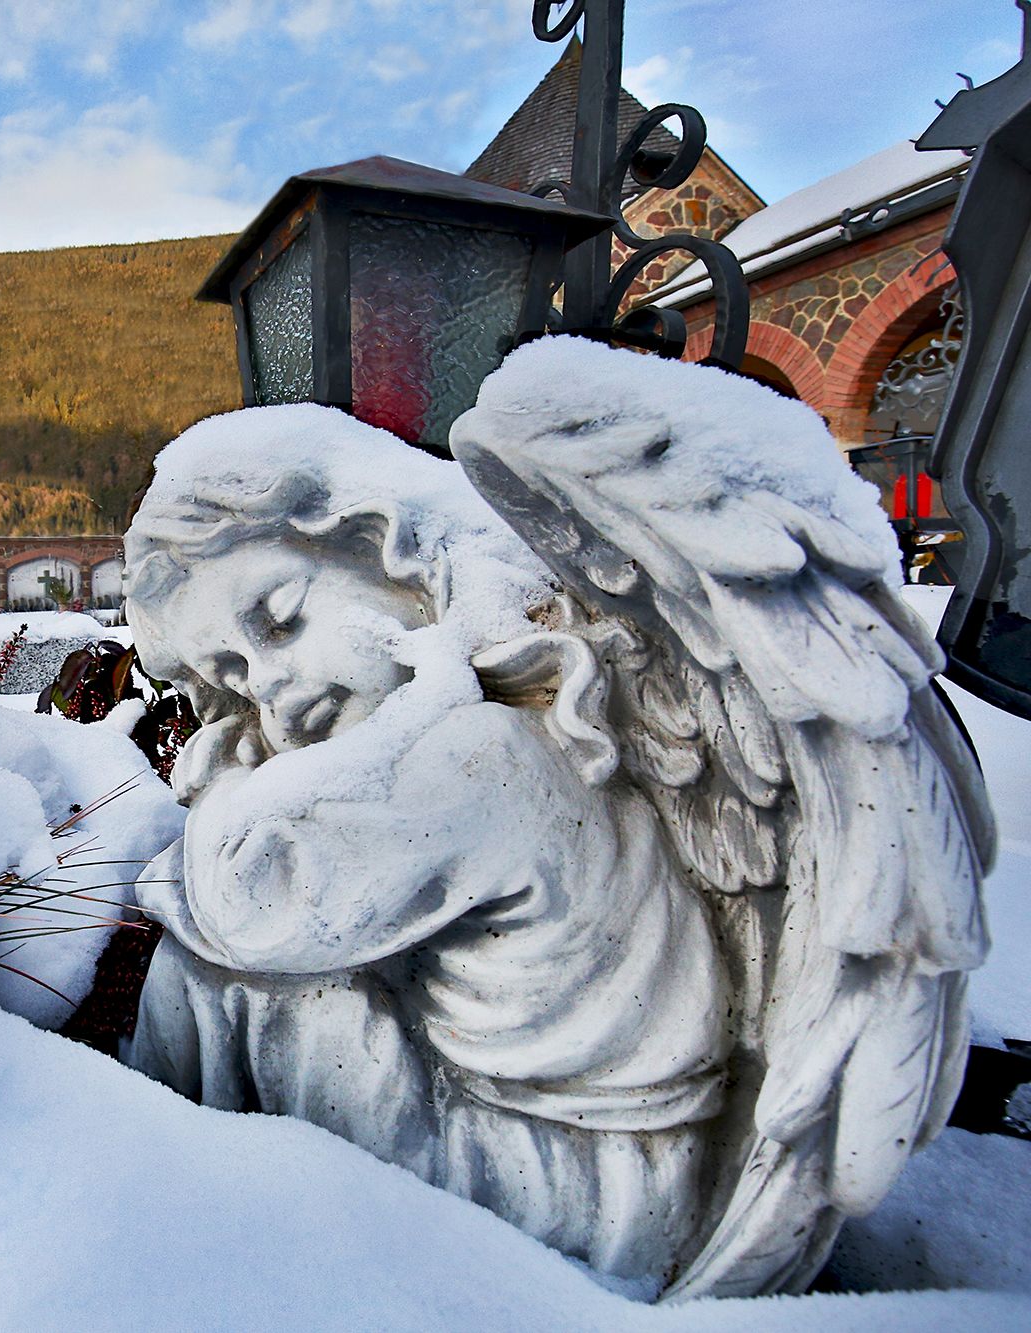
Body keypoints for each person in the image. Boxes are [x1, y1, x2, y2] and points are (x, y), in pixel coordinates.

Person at [120, 403, 729, 1287]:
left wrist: (220, 781)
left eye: (282, 618)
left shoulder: (477, 755)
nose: (274, 689)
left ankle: (171, 1210)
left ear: (394, 559)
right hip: (579, 1151)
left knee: (253, 984)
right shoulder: (498, 723)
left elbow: (252, 898)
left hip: (575, 1194)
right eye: (234, 678)